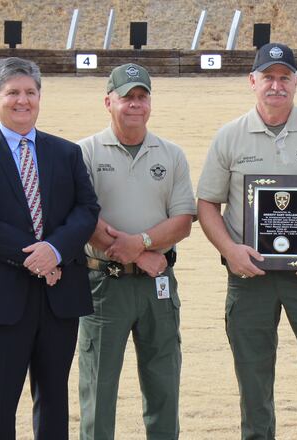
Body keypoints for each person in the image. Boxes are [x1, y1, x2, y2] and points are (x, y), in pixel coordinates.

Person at [196, 42, 297, 440]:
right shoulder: (229, 136)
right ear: (252, 81)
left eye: (284, 77)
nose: (276, 85)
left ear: (296, 82)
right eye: (268, 77)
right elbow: (206, 205)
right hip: (249, 275)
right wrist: (230, 251)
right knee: (254, 384)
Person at [0, 57, 100, 439]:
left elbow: (87, 210)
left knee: (53, 402)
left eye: (30, 92)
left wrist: (55, 249)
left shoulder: (66, 153)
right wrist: (35, 256)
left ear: (40, 97)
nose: (23, 100)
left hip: (58, 295)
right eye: (13, 92)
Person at [75, 62, 195, 440]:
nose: (135, 105)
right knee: (99, 389)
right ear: (108, 101)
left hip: (157, 287)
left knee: (163, 384)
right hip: (103, 286)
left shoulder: (171, 154)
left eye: (142, 97)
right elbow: (84, 218)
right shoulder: (85, 152)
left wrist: (141, 243)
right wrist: (139, 253)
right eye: (127, 98)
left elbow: (183, 221)